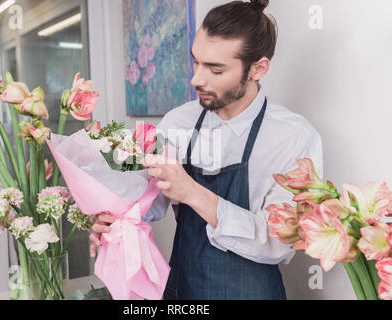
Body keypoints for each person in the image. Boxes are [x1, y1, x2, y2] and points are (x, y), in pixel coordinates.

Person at [90, 0, 323, 300]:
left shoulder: (293, 137)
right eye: (196, 62)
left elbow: (280, 243)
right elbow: (148, 203)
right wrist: (116, 221)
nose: (196, 79)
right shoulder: (178, 121)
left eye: (214, 69)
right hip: (181, 293)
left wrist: (192, 192)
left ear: (258, 69)